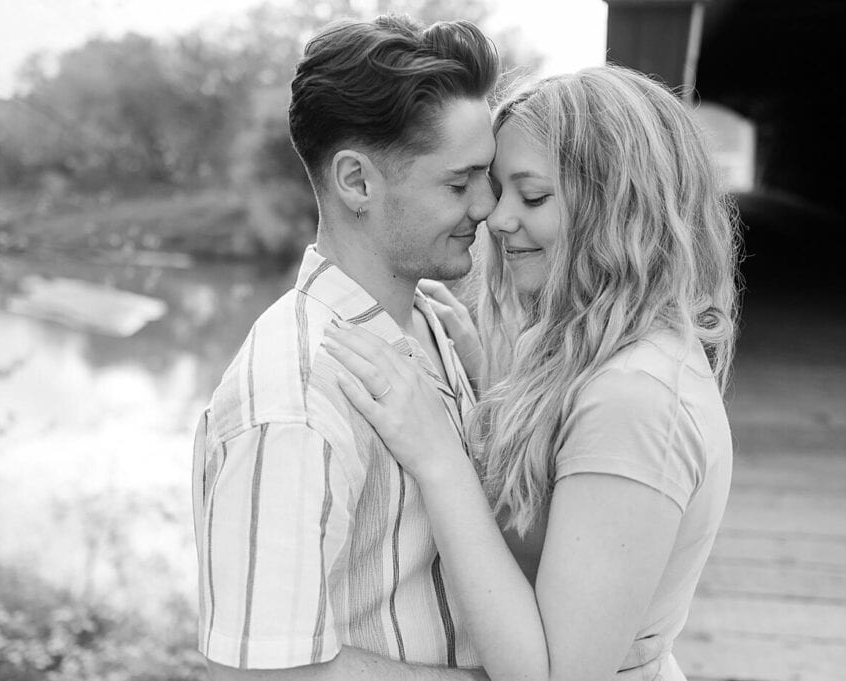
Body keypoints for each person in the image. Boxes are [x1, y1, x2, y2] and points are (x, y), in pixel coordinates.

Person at [191, 15, 665, 681]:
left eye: (488, 177)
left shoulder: (433, 325)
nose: (489, 207)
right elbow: (256, 674)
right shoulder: (292, 398)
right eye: (459, 182)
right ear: (357, 182)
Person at [325, 63, 741, 681]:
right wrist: (487, 380)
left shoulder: (634, 400)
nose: (496, 218)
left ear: (620, 208)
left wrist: (438, 454)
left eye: (534, 196)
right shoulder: (608, 355)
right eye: (499, 191)